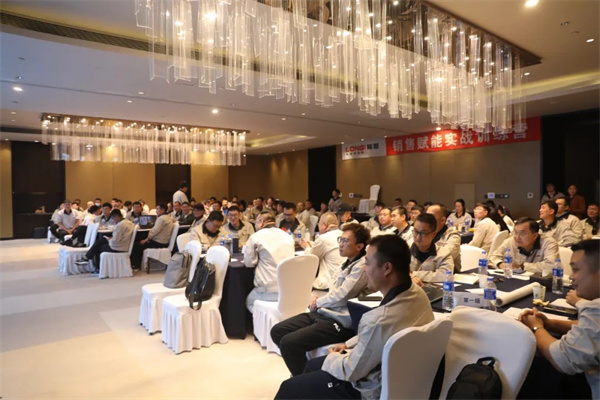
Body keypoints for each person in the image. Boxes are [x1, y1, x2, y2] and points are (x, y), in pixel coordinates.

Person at [274, 235, 434, 400]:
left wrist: (332, 357)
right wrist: (347, 344)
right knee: (311, 366)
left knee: (288, 388)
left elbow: (352, 370)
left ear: (387, 268)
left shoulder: (378, 320)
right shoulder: (418, 294)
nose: (364, 269)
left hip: (370, 387)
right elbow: (378, 336)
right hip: (403, 376)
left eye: (368, 263)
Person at [272, 223, 370, 376]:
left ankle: (303, 380)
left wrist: (318, 302)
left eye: (345, 241)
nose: (340, 244)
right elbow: (334, 291)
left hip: (340, 321)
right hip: (325, 312)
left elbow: (342, 296)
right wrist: (320, 301)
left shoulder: (362, 266)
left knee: (289, 343)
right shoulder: (346, 262)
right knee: (278, 331)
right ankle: (304, 374)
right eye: (340, 239)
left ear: (359, 246)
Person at [519, 240, 599, 399]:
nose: (571, 277)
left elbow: (563, 359)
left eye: (575, 270)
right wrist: (550, 324)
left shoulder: (596, 308)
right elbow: (593, 329)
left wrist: (537, 328)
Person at [244, 211, 295, 312]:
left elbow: (249, 263)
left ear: (261, 222)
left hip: (267, 291)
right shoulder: (287, 236)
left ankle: (265, 320)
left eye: (256, 222)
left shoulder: (256, 237)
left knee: (249, 302)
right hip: (288, 289)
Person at [489, 217, 559, 273]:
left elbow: (551, 266)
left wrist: (522, 267)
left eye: (522, 234)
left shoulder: (548, 243)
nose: (517, 237)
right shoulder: (510, 241)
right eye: (515, 232)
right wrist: (501, 264)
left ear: (535, 235)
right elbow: (493, 257)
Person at [300, 212, 345, 290]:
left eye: (319, 224)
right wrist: (313, 244)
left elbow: (312, 257)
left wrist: (306, 246)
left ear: (325, 225)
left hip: (329, 283)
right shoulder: (343, 234)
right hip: (343, 281)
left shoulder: (323, 238)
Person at [410, 213, 454, 285]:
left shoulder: (443, 253)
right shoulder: (403, 251)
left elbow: (446, 275)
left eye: (423, 233)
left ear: (433, 234)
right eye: (415, 231)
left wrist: (414, 274)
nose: (418, 237)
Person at [131, 204, 174, 269]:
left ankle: (136, 265)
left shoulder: (161, 219)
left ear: (163, 210)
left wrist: (146, 240)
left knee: (136, 246)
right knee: (140, 243)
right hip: (164, 242)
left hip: (159, 243)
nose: (156, 211)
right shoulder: (168, 218)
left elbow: (154, 231)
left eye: (157, 209)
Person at [426, 204, 462, 272]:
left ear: (442, 220)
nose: (426, 220)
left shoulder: (453, 236)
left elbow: (443, 258)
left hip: (448, 275)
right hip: (425, 274)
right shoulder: (424, 233)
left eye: (430, 217)